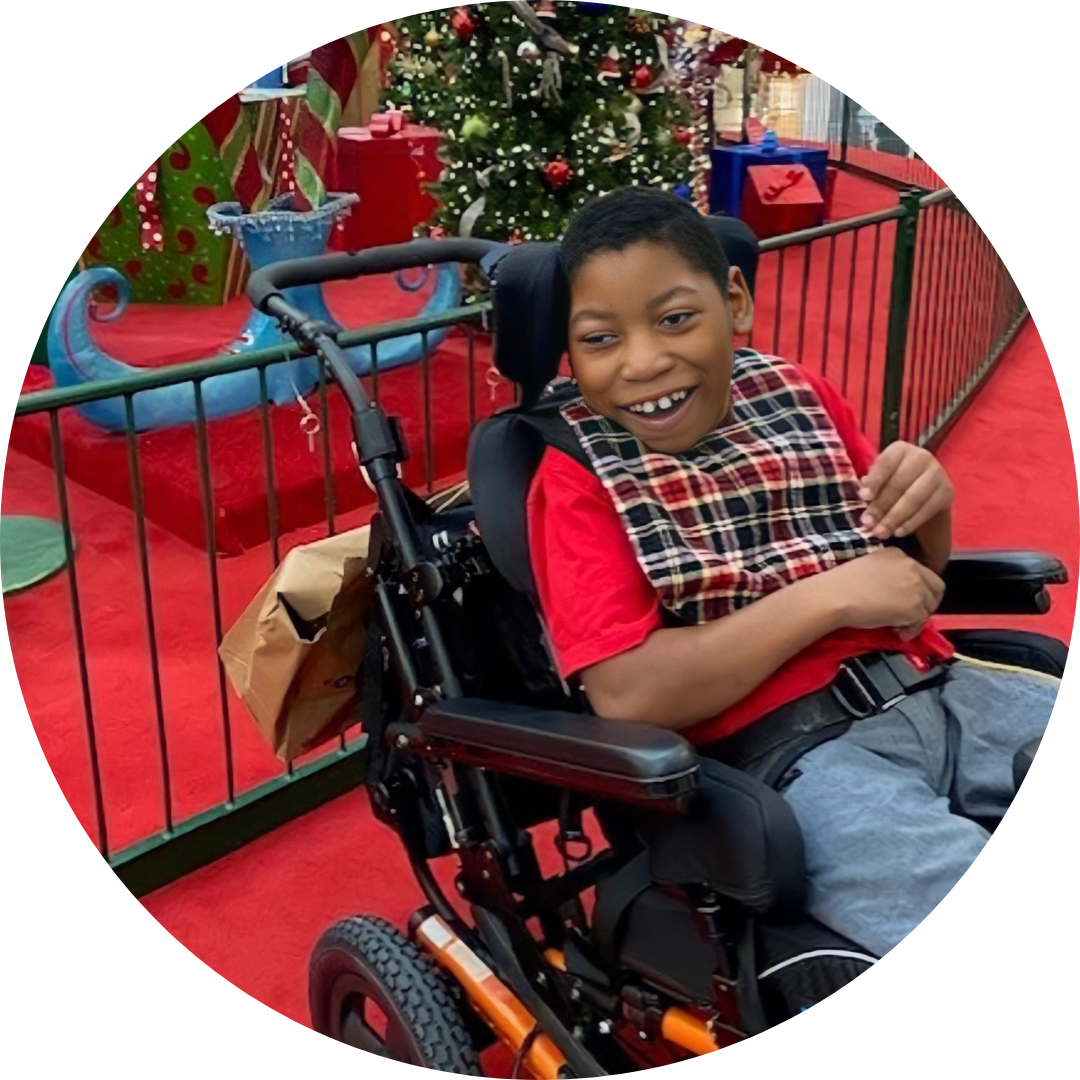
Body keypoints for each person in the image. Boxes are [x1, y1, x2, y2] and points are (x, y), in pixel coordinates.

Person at [525, 186, 1059, 958]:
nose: (643, 362)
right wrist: (828, 597)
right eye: (601, 339)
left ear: (734, 301)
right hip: (794, 760)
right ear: (569, 354)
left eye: (676, 319)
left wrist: (929, 507)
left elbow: (910, 583)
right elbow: (627, 692)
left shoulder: (798, 395)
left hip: (936, 688)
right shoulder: (576, 476)